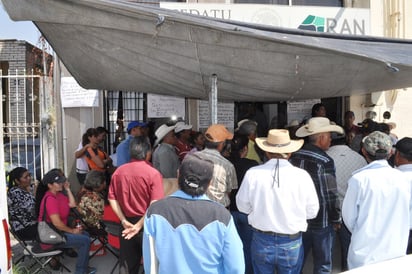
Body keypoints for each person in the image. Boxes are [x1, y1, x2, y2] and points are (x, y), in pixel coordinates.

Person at [134, 153, 244, 274]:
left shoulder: (155, 212)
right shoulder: (222, 216)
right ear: (210, 183)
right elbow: (236, 267)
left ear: (178, 175)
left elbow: (151, 265)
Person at [237, 129, 319, 274]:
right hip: (291, 241)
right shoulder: (302, 176)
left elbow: (242, 206)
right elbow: (312, 212)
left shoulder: (253, 174)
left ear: (267, 152)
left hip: (262, 239)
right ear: (290, 153)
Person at [342, 131, 410, 269]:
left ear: (364, 152)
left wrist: (365, 230)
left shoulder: (358, 180)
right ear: (390, 152)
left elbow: (349, 219)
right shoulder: (403, 179)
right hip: (395, 251)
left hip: (364, 253)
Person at [289, 117, 343, 274]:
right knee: (323, 264)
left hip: (298, 218)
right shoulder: (325, 161)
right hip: (322, 221)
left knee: (297, 262)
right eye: (329, 136)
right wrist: (336, 218)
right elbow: (330, 194)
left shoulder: (294, 156)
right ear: (321, 138)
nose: (331, 139)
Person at [108, 136, 164, 274]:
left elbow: (111, 198)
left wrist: (123, 220)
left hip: (126, 224)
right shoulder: (153, 173)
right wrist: (139, 225)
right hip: (147, 224)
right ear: (148, 152)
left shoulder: (118, 172)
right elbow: (155, 203)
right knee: (151, 265)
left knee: (127, 265)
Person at [36, 169, 94, 274]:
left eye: (61, 181)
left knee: (85, 234)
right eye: (58, 183)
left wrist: (67, 189)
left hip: (58, 232)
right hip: (50, 236)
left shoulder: (59, 195)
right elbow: (57, 223)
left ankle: (83, 266)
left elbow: (72, 204)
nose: (61, 183)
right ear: (50, 185)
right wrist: (72, 231)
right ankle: (81, 271)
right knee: (84, 240)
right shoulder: (50, 199)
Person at [326, 136, 367, 271]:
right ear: (347, 141)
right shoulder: (359, 158)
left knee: (326, 249)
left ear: (331, 141)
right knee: (348, 246)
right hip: (351, 210)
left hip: (329, 209)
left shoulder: (325, 157)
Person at [228, 133, 259, 274]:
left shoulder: (227, 164)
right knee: (248, 247)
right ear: (245, 149)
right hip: (248, 213)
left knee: (232, 247)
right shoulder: (253, 166)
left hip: (230, 212)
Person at [196, 124, 238, 208]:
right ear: (222, 144)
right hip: (220, 209)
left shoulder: (191, 158)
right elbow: (229, 191)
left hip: (197, 208)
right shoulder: (227, 165)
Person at [7, 167, 37, 240]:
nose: (29, 178)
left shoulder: (26, 189)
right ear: (17, 181)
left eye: (29, 175)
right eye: (25, 177)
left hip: (32, 225)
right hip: (24, 228)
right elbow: (32, 209)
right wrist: (35, 193)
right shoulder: (15, 192)